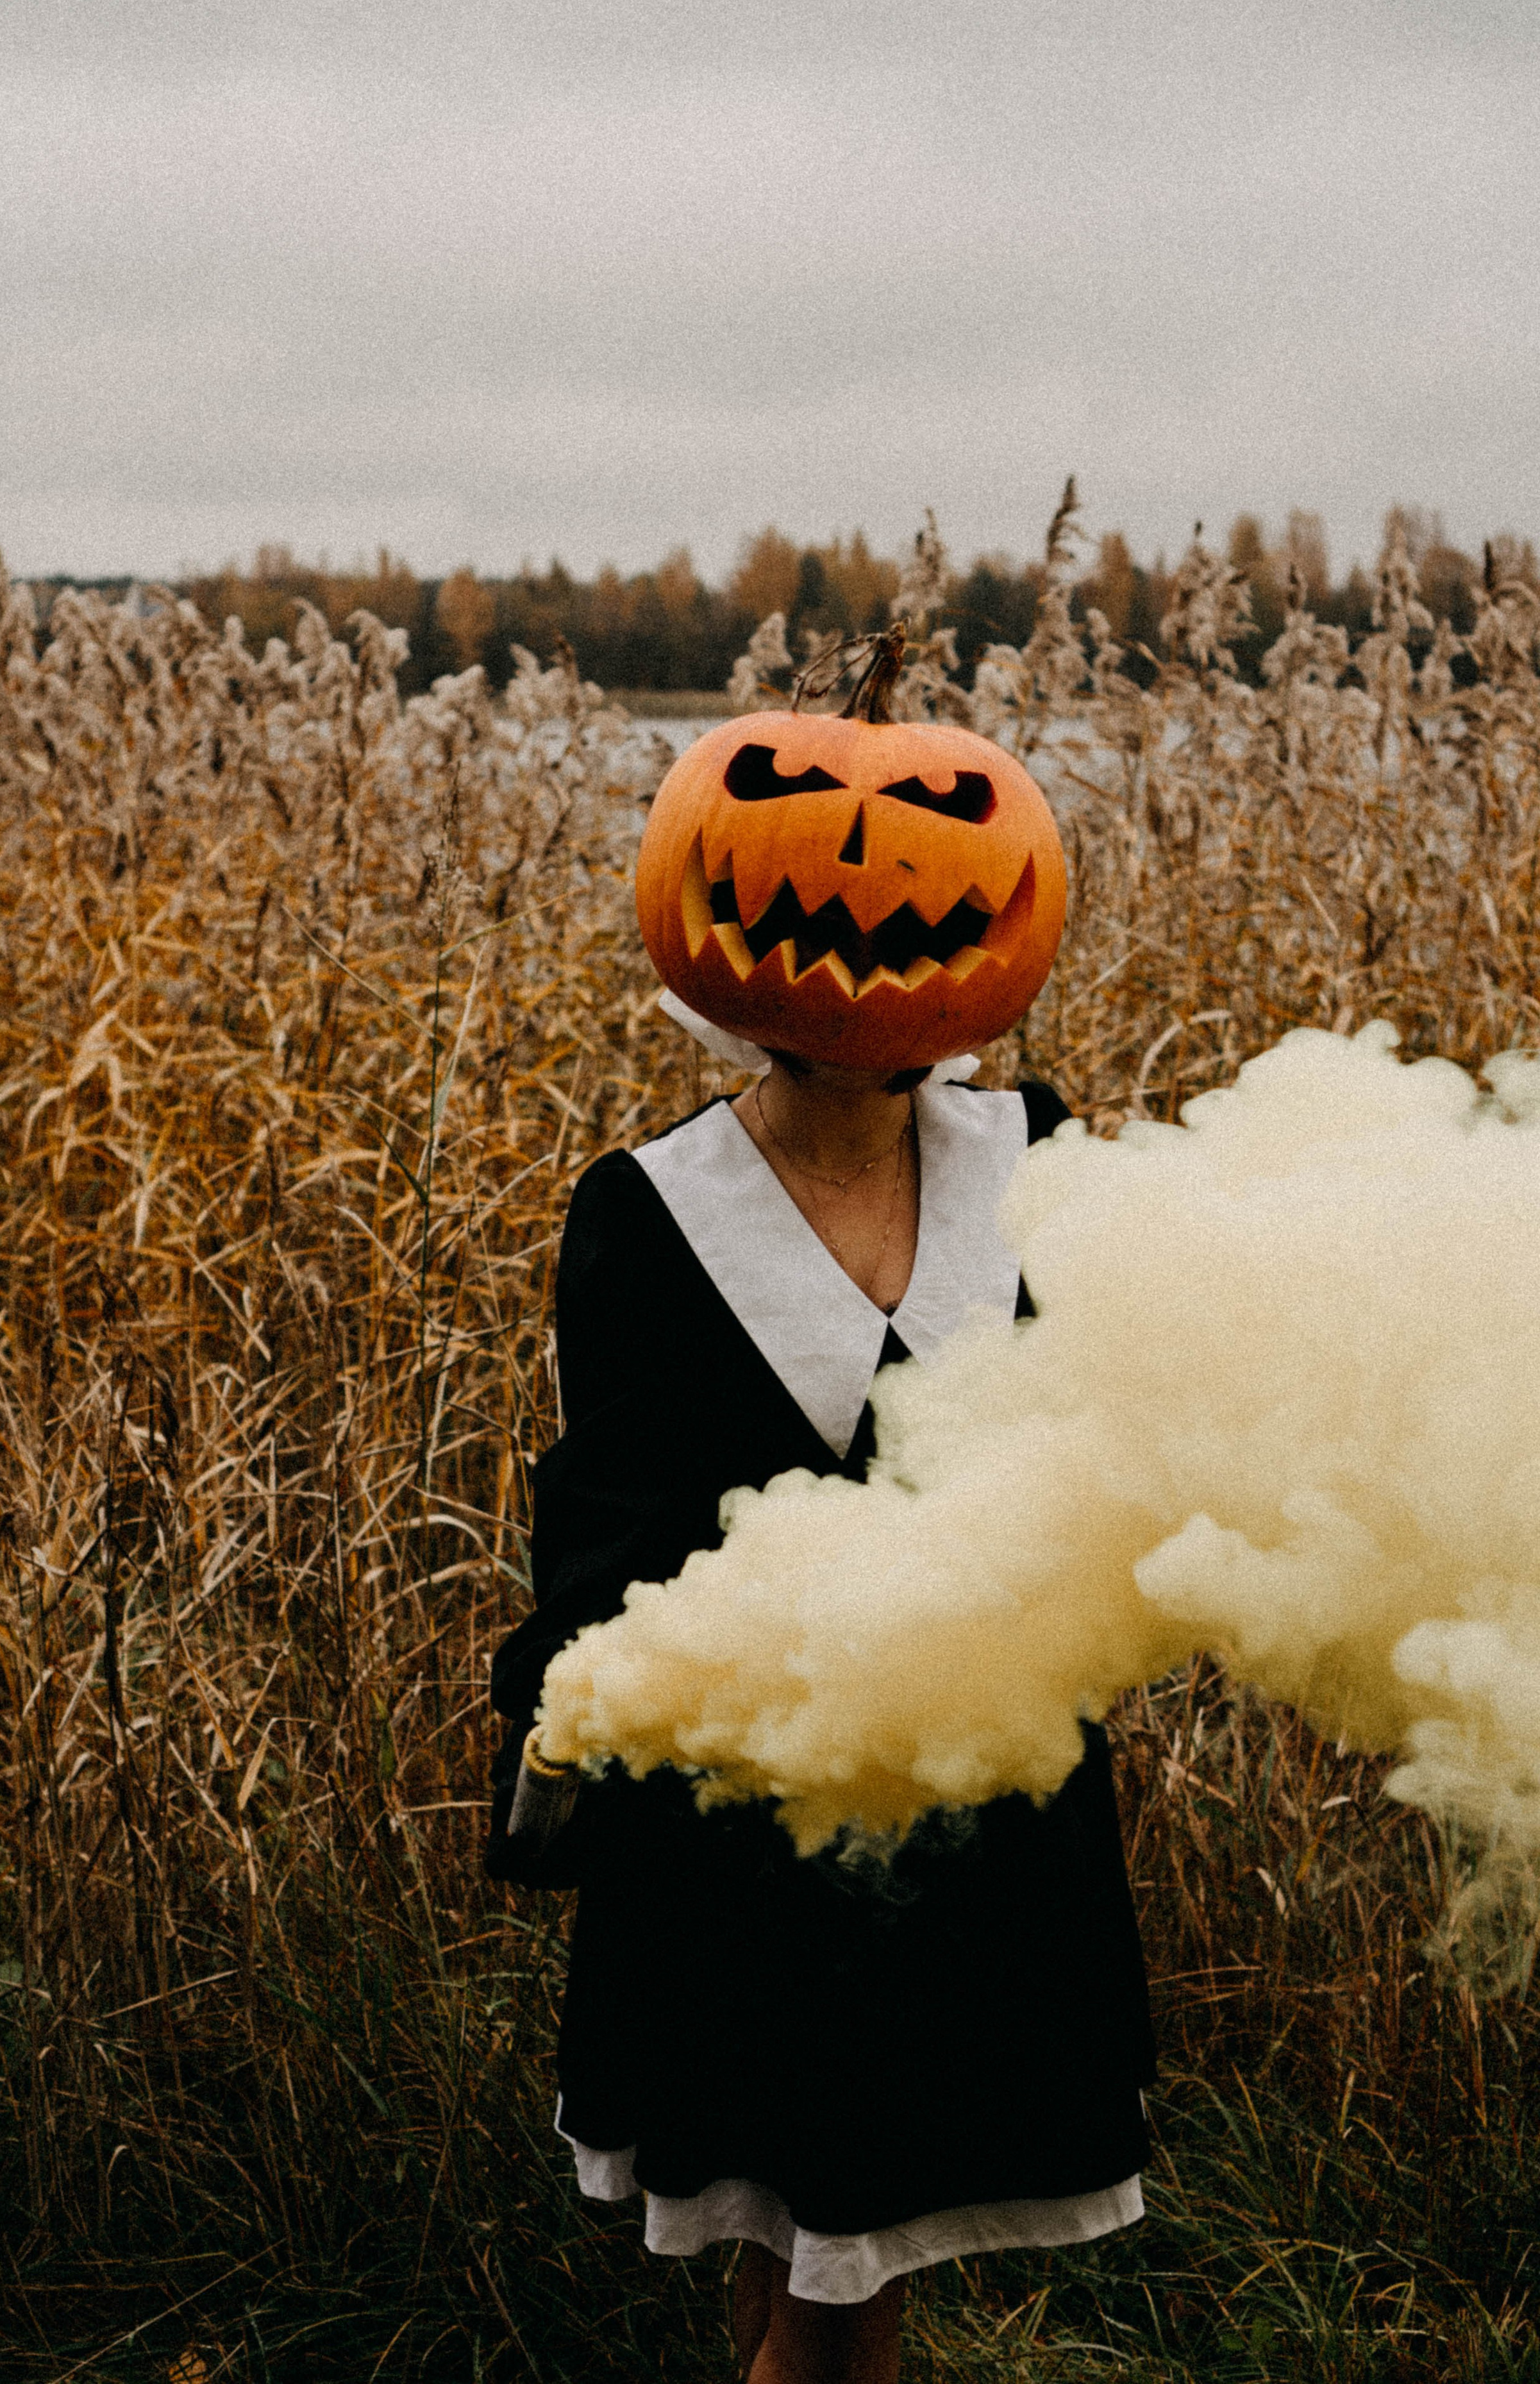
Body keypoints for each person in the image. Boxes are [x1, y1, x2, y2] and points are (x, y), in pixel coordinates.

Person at [486, 1011, 1155, 2383]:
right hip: (741, 1829)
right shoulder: (652, 1210)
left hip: (977, 1805)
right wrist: (566, 1718)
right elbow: (607, 1525)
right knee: (814, 2278)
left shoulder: (1031, 1156)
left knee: (828, 2264)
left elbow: (1116, 1438)